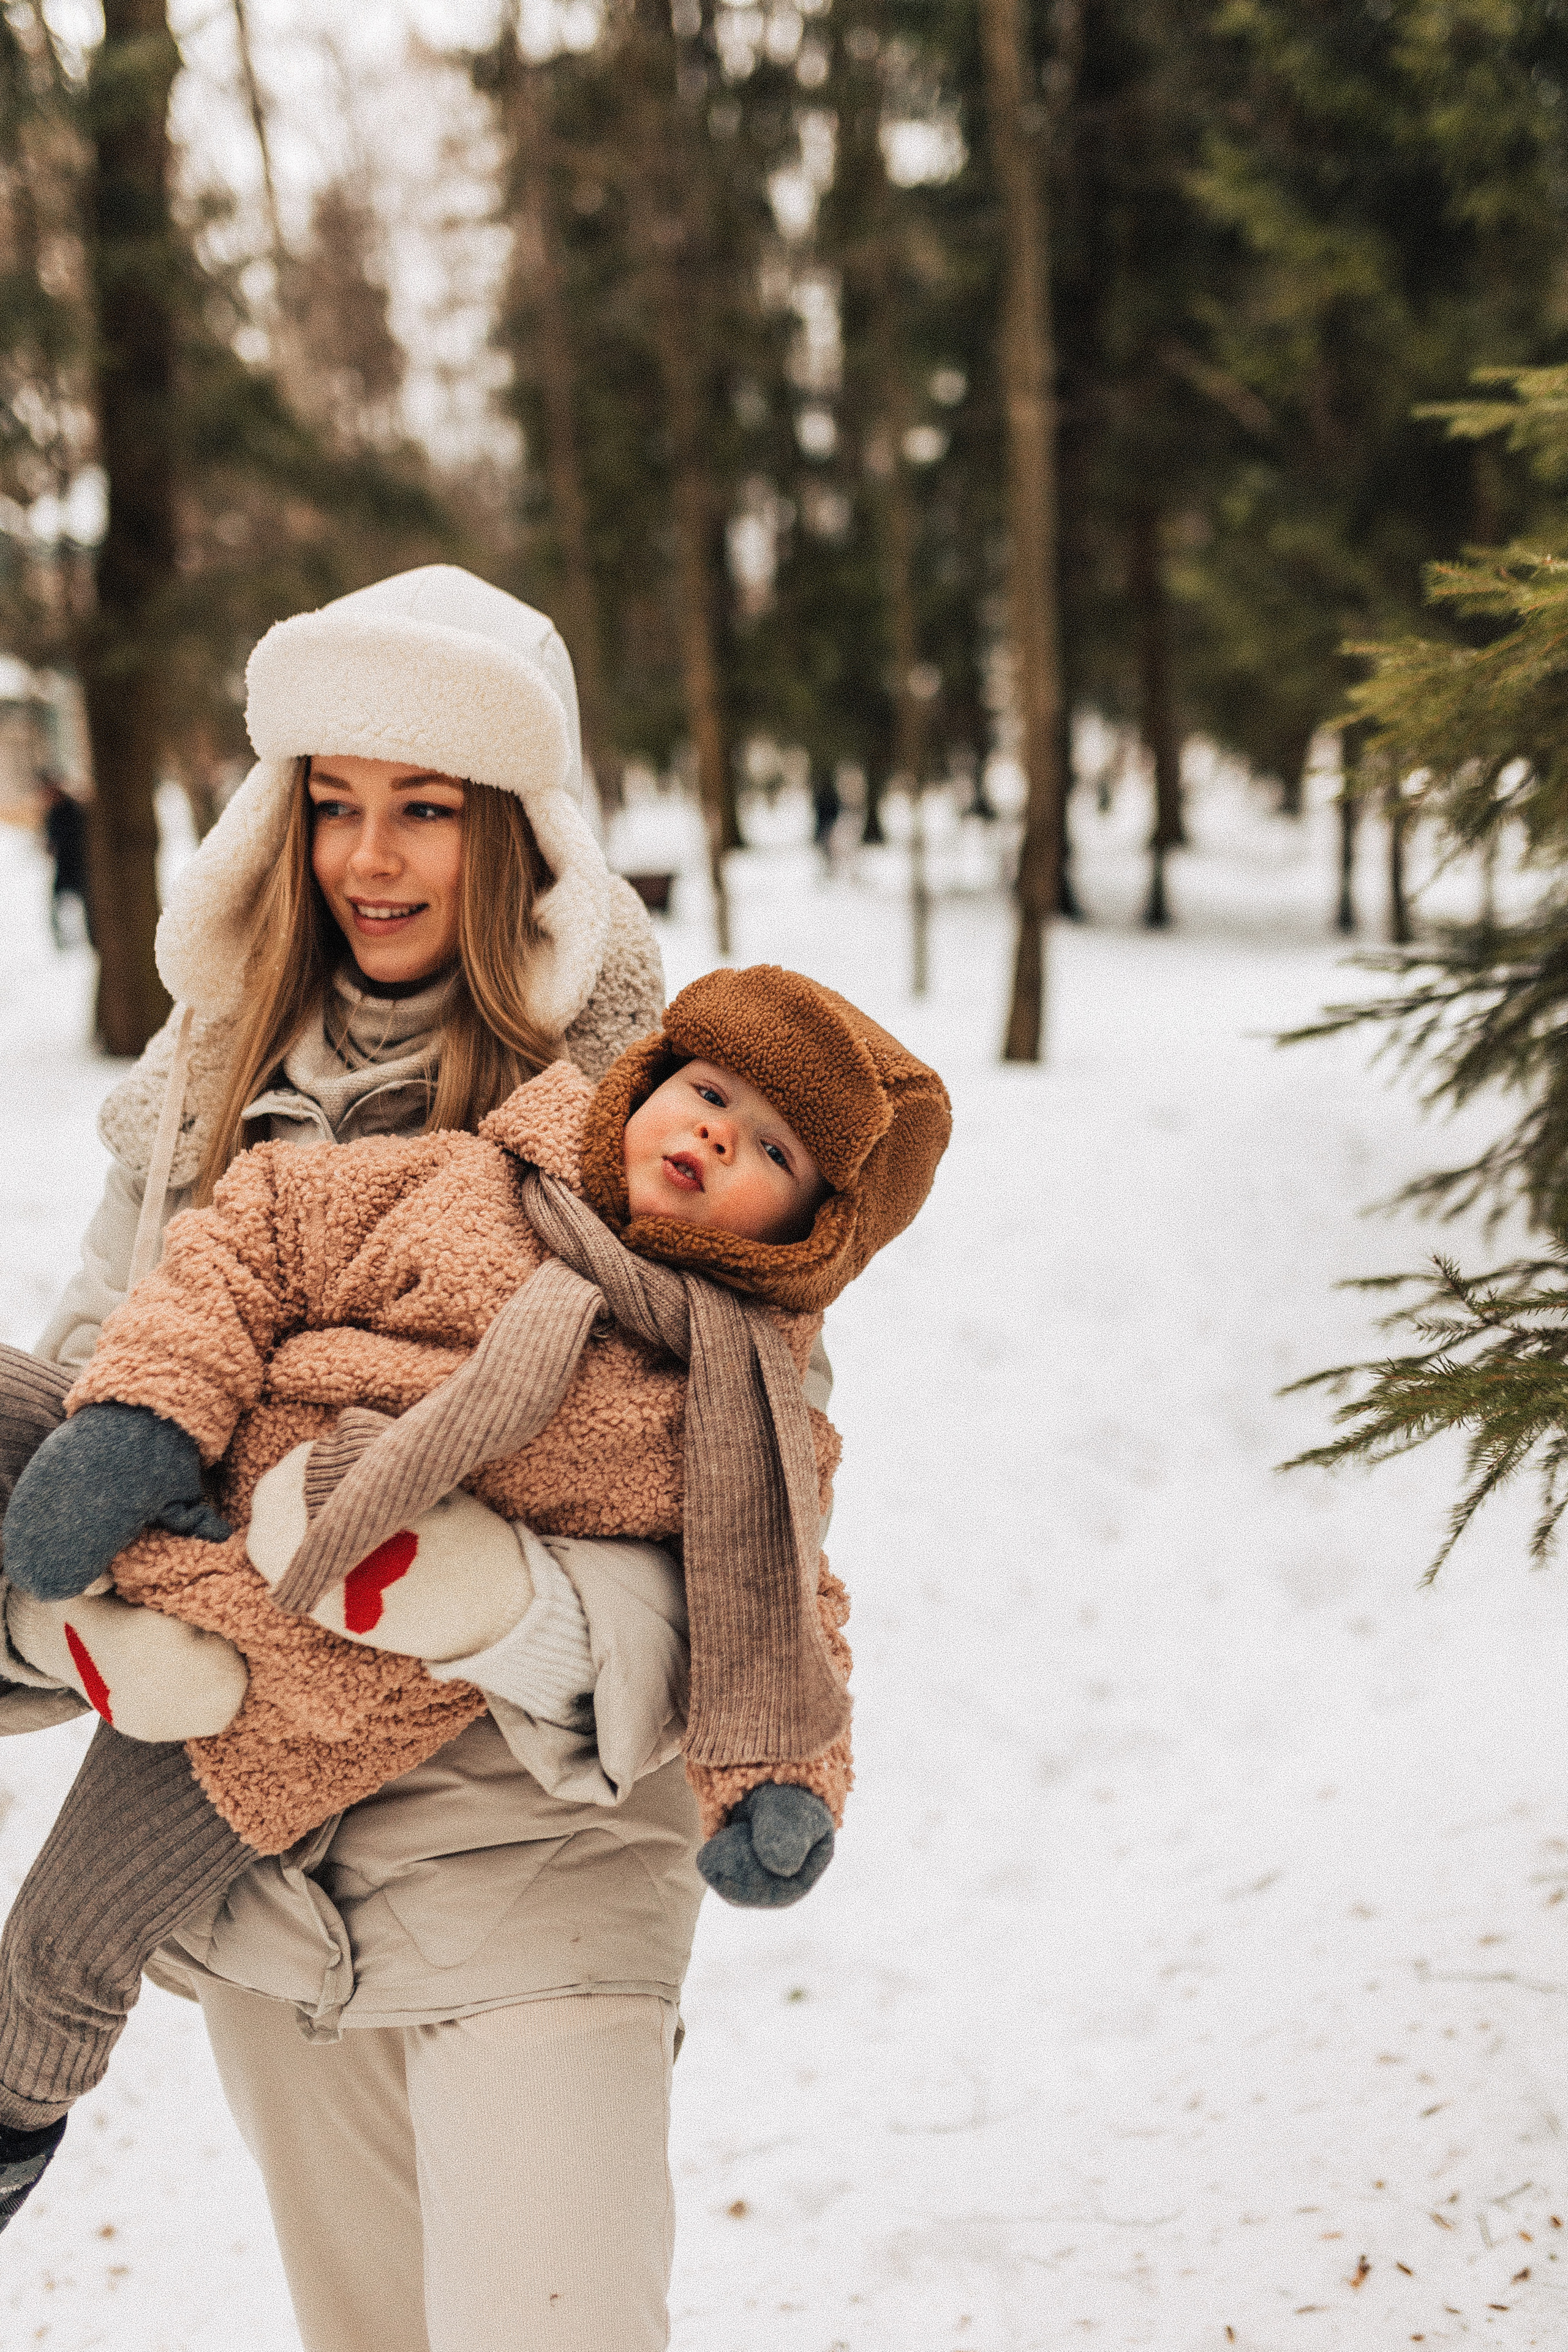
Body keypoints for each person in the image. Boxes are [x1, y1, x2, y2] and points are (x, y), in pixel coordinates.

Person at [0, 565, 731, 2352]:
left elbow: (728, 1540)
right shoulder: (203, 1079)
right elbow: (101, 1423)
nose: (370, 858)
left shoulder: (659, 1115)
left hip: (530, 1868)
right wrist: (64, 1636)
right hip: (261, 1899)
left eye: (427, 807)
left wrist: (483, 1605)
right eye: (334, 801)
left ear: (522, 831)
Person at [0, 965, 948, 2245]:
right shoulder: (469, 1186)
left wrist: (781, 1778)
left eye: (769, 1148)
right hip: (206, 1449)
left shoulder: (733, 1410)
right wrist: (145, 1415)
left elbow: (775, 1600)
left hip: (293, 1690)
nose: (713, 1133)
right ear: (647, 1082)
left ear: (810, 1227)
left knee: (66, 1942)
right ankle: (86, 1611)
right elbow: (261, 1222)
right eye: (706, 1090)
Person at [37, 773, 92, 950]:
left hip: (78, 864)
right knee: (57, 902)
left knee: (88, 903)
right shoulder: (52, 812)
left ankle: (92, 939)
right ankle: (60, 942)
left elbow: (78, 837)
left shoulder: (71, 808)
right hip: (63, 866)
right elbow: (50, 838)